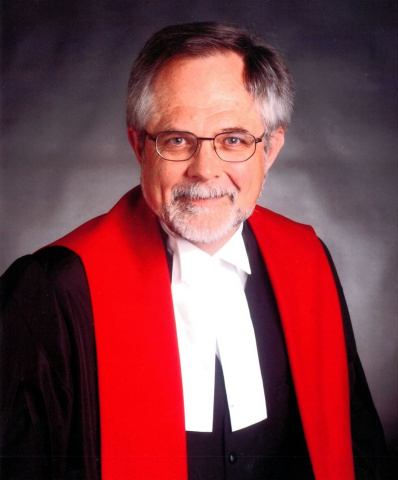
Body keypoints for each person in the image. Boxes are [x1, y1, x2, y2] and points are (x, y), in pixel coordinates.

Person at [0, 22, 387, 480]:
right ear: (140, 146)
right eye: (178, 139)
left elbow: (359, 452)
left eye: (234, 140)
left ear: (271, 150)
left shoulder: (309, 261)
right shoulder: (52, 291)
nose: (205, 170)